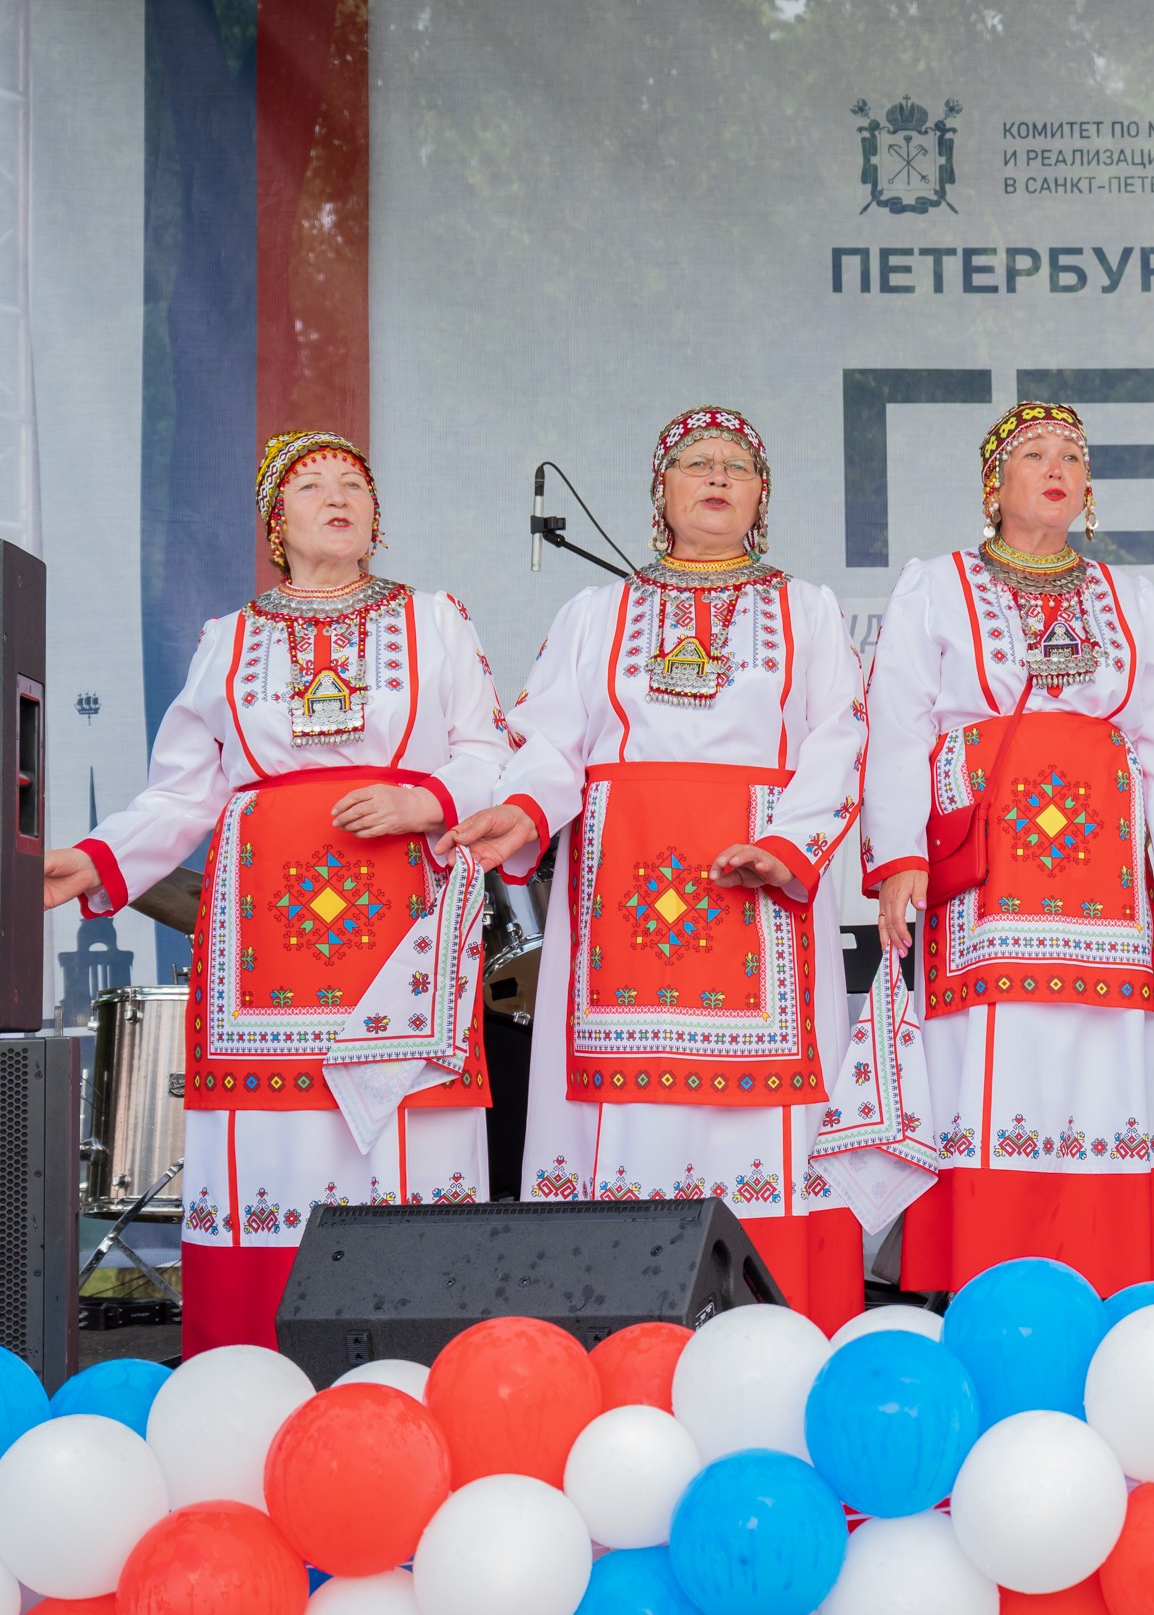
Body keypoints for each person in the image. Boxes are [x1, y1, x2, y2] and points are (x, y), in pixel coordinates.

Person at [44, 431, 508, 1353]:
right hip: (266, 933)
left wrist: (424, 798)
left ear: (378, 519)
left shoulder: (434, 619)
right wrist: (96, 858)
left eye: (354, 484)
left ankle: (414, 1368)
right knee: (275, 1139)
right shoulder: (232, 639)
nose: (337, 495)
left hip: (402, 923)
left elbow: (491, 753)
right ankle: (254, 1368)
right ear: (275, 521)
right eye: (311, 485)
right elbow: (183, 791)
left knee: (401, 1137)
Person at [440, 406, 870, 1326]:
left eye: (737, 466)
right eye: (693, 463)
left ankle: (776, 1332)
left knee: (764, 1128)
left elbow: (842, 739)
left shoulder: (809, 609)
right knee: (624, 1116)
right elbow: (551, 741)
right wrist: (517, 812)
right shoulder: (598, 613)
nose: (715, 476)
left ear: (761, 498)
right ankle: (618, 1329)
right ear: (660, 493)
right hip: (621, 901)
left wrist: (787, 844)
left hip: (757, 897)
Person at [863, 400, 1154, 1294]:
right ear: (995, 484)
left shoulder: (1128, 597)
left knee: (1104, 1069)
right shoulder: (937, 586)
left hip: (1108, 888)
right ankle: (983, 1282)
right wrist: (900, 854)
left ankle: (1112, 1278)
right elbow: (899, 722)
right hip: (987, 890)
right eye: (1033, 453)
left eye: (1073, 454)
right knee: (993, 1063)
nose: (1057, 466)